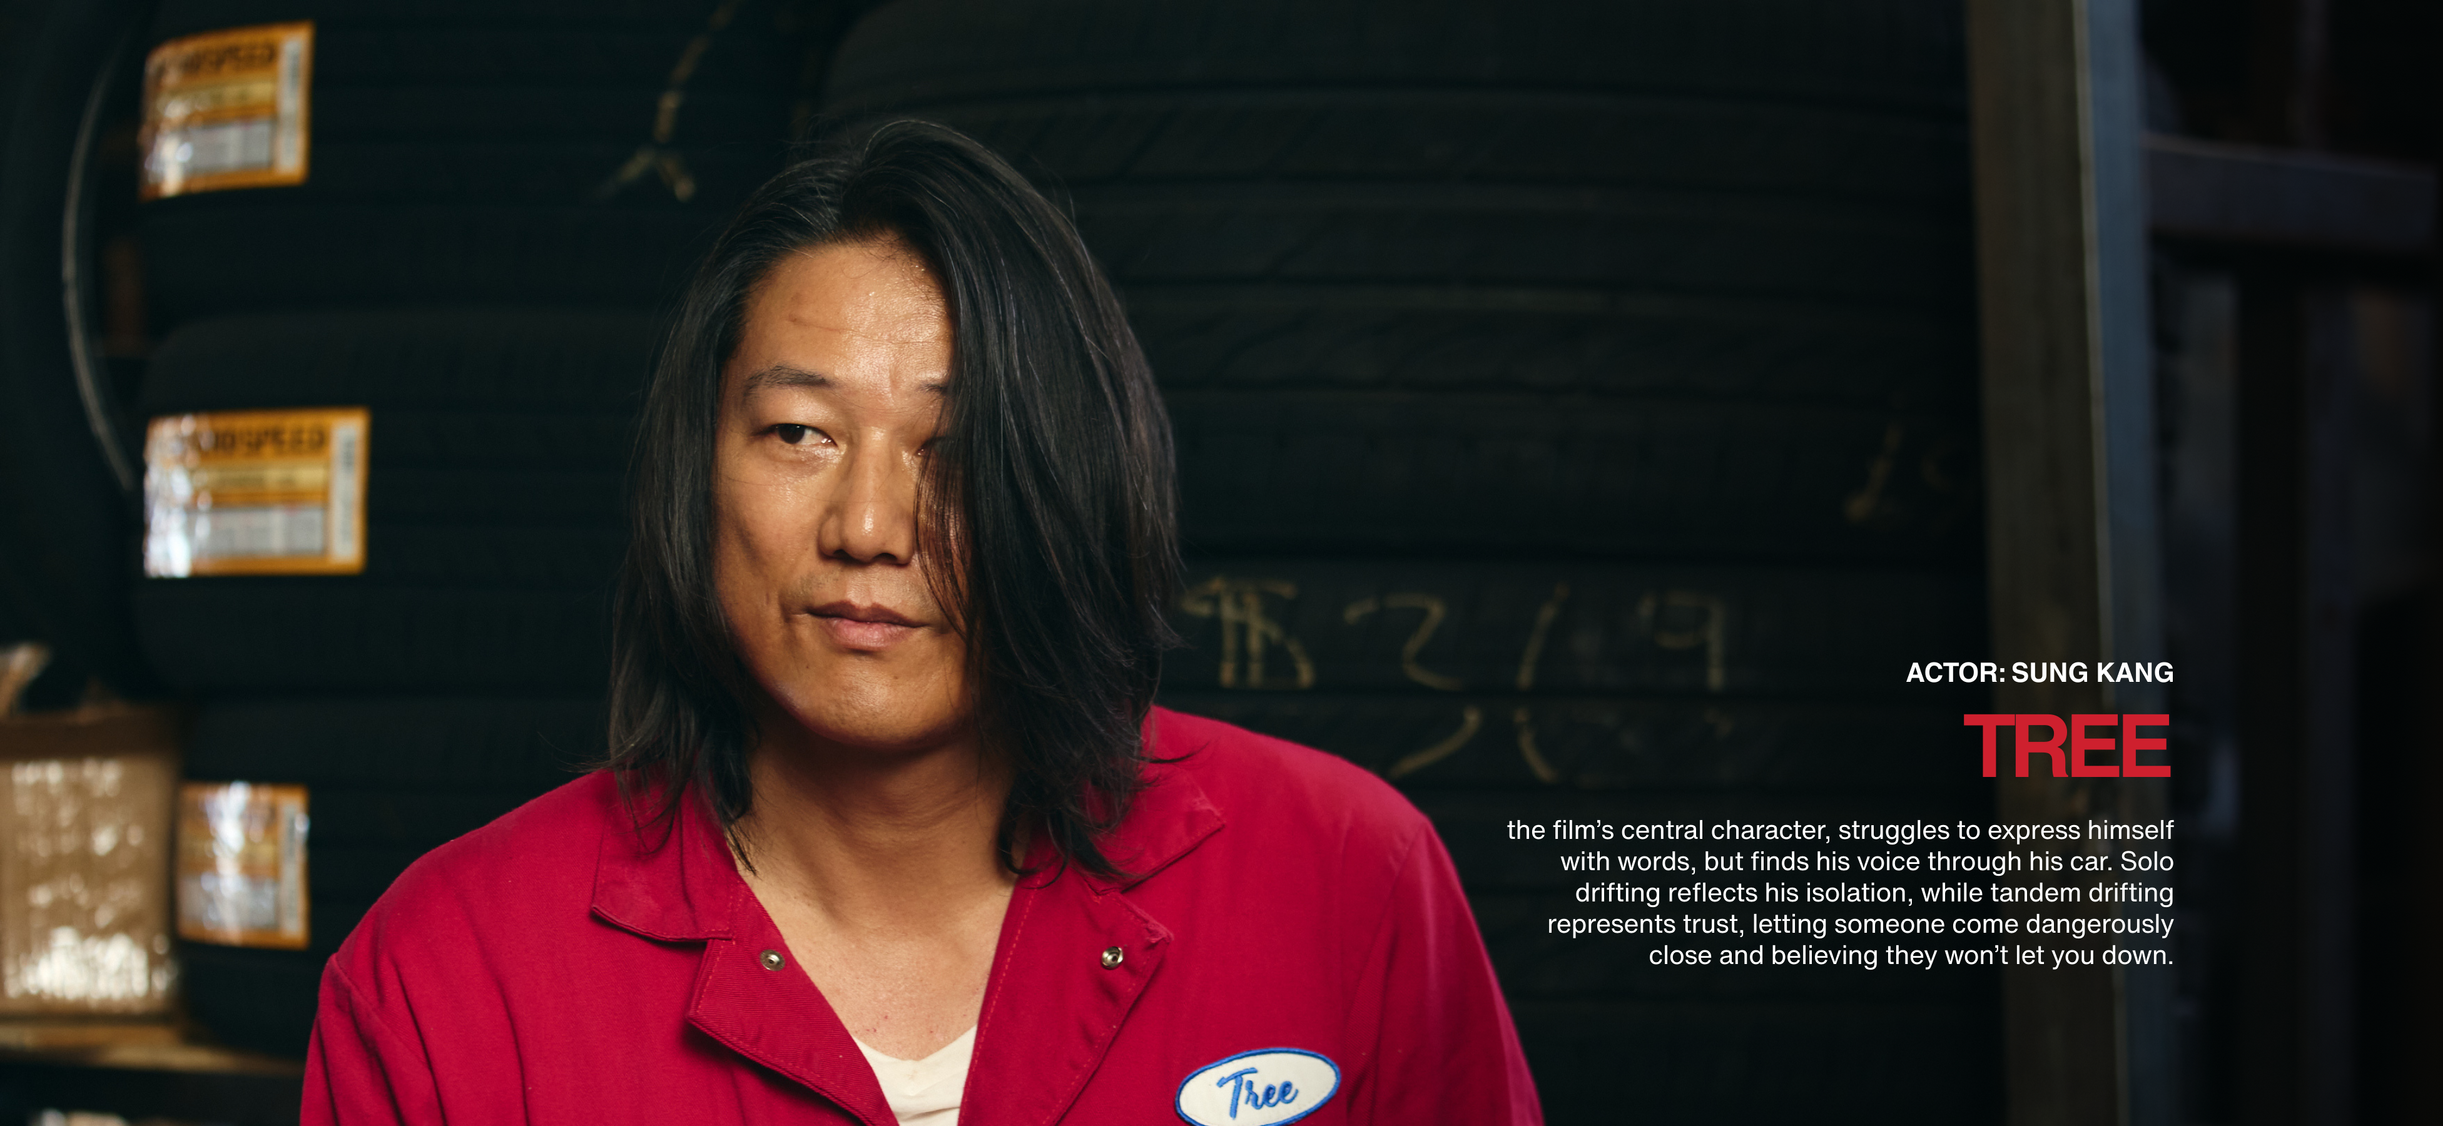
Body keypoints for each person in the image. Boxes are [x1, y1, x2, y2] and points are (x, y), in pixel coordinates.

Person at [302, 120, 1543, 1126]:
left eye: (953, 449)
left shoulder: (1344, 878)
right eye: (800, 433)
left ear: (1067, 482)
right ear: (698, 470)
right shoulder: (448, 974)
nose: (868, 526)